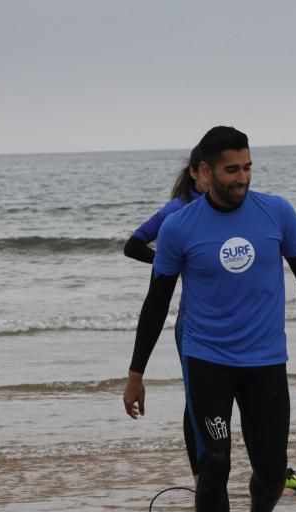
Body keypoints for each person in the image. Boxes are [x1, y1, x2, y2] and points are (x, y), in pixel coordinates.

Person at [122, 126, 296, 512]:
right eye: (232, 169)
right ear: (204, 172)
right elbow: (156, 304)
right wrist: (136, 373)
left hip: (265, 361)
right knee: (214, 462)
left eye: (248, 167)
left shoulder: (276, 213)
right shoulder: (180, 227)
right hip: (207, 359)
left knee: (273, 469)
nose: (243, 178)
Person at [123, 145, 208, 481]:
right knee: (197, 404)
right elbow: (132, 245)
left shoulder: (227, 208)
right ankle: (202, 480)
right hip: (190, 324)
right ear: (196, 172)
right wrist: (166, 263)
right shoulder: (176, 210)